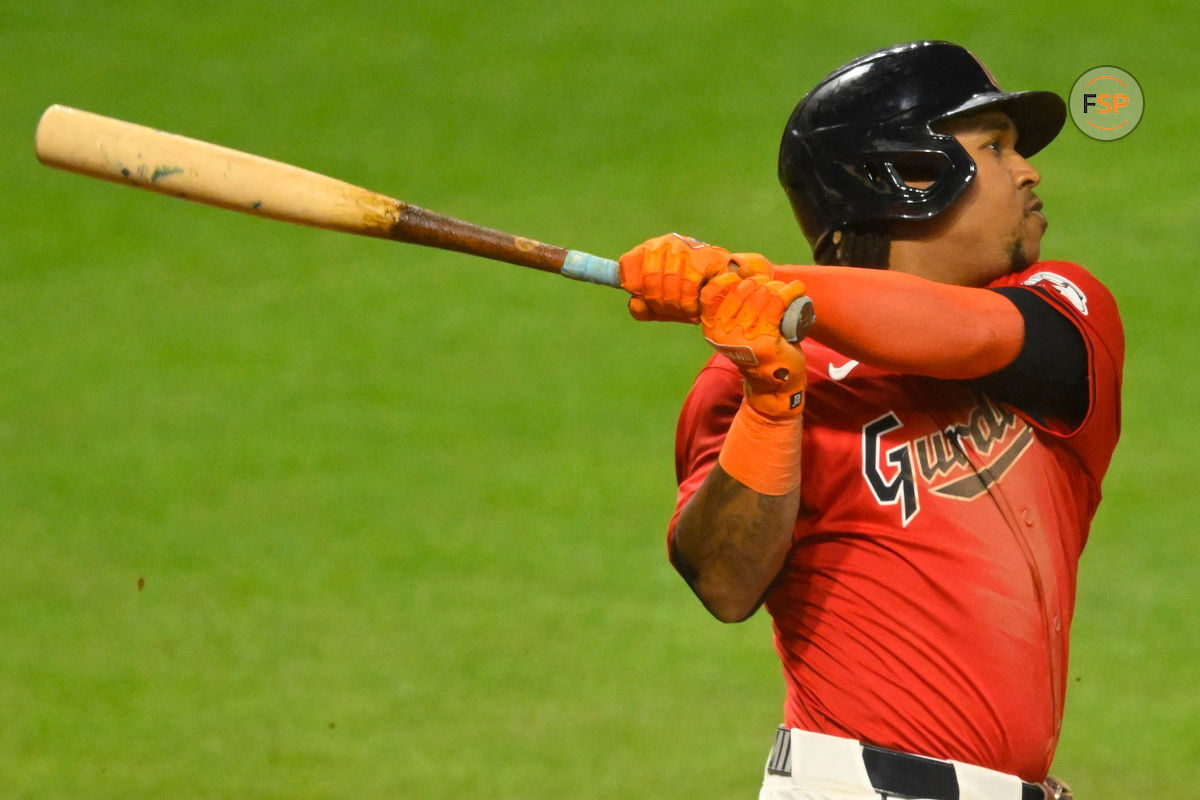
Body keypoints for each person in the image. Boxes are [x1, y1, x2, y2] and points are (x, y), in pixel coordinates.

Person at [618, 41, 1123, 800]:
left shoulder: (1065, 310)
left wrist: (758, 284)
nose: (1029, 170)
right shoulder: (749, 373)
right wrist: (771, 402)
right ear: (908, 175)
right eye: (995, 147)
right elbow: (725, 582)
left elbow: (970, 335)